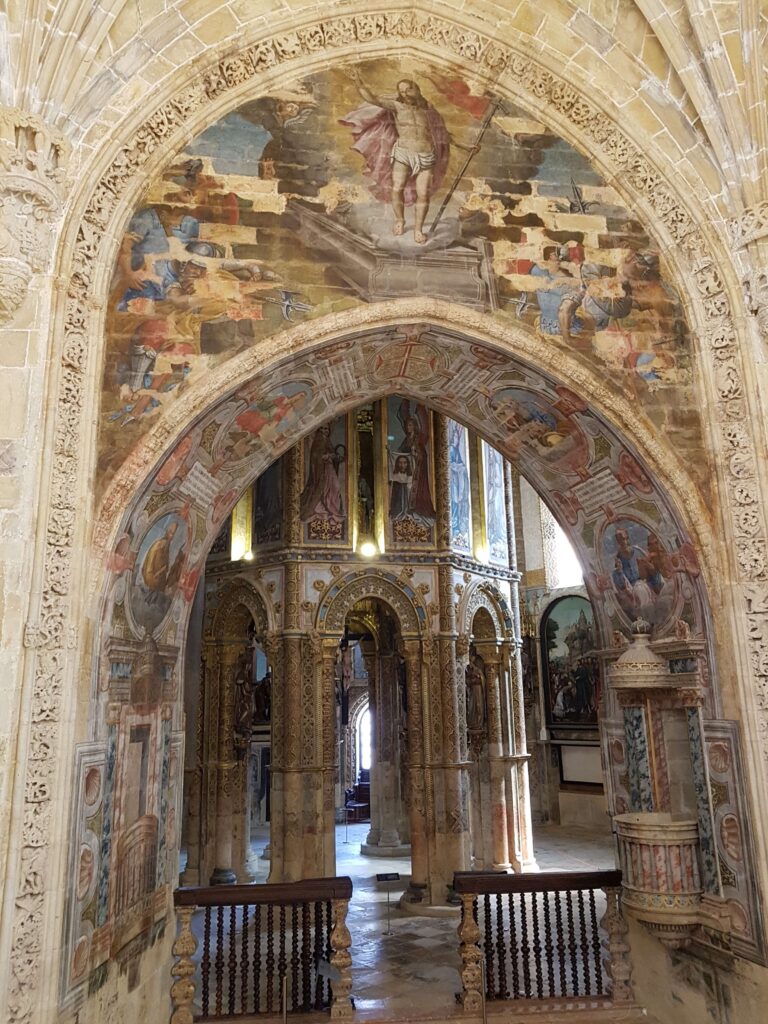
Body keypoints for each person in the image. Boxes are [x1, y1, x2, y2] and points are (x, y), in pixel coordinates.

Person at [343, 70, 458, 243]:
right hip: (403, 153)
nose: (405, 93)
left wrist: (466, 146)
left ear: (416, 89)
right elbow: (372, 98)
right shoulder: (397, 107)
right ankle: (400, 220)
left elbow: (443, 134)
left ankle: (418, 230)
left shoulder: (429, 111)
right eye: (402, 91)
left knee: (423, 194)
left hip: (426, 155)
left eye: (408, 89)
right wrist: (358, 81)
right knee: (397, 188)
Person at [299, 423, 345, 521]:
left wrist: (336, 457)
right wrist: (328, 456)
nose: (326, 431)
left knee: (335, 487)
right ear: (319, 430)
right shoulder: (318, 441)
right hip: (322, 470)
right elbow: (317, 456)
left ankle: (332, 508)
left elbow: (332, 454)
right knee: (325, 487)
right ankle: (322, 507)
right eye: (323, 428)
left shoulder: (327, 441)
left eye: (327, 429)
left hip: (329, 469)